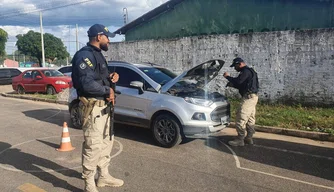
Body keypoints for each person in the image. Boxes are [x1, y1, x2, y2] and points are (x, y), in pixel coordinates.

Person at [71, 24, 123, 192]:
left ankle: (103, 177)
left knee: (106, 143)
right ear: (98, 36)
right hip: (93, 108)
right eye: (107, 37)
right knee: (93, 146)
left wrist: (110, 78)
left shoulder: (98, 55)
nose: (109, 40)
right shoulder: (84, 56)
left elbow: (97, 78)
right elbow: (86, 83)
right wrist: (106, 90)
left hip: (105, 108)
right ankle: (89, 183)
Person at [223, 57, 259, 147]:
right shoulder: (250, 71)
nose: (235, 68)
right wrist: (233, 85)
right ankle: (249, 138)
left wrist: (228, 77)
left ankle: (240, 139)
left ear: (240, 64)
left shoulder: (245, 71)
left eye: (235, 66)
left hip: (248, 98)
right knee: (250, 118)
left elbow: (239, 81)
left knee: (241, 117)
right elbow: (243, 85)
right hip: (253, 97)